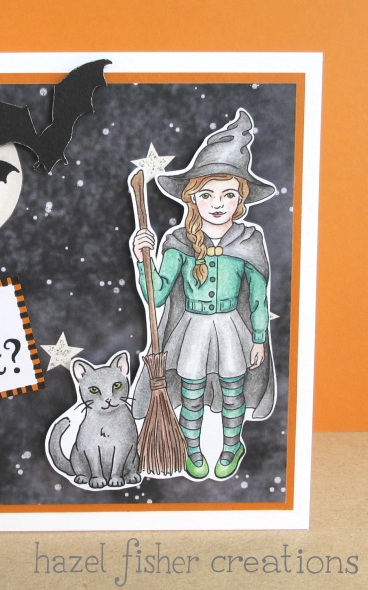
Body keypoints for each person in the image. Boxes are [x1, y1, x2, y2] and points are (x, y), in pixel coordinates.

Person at [130, 109, 276, 480]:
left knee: (233, 389)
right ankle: (191, 449)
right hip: (192, 328)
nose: (217, 203)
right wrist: (142, 259)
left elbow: (258, 297)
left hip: (231, 329)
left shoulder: (249, 240)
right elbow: (156, 296)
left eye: (228, 194)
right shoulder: (178, 241)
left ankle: (231, 446)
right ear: (192, 198)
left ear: (241, 200)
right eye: (207, 194)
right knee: (190, 390)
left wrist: (259, 338)